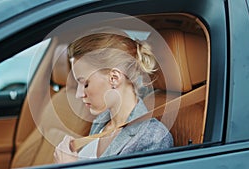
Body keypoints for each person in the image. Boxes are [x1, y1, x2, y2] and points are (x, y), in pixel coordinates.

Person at [54, 28, 173, 163]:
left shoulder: (152, 137)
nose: (78, 94)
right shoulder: (101, 122)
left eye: (85, 83)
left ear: (114, 78)